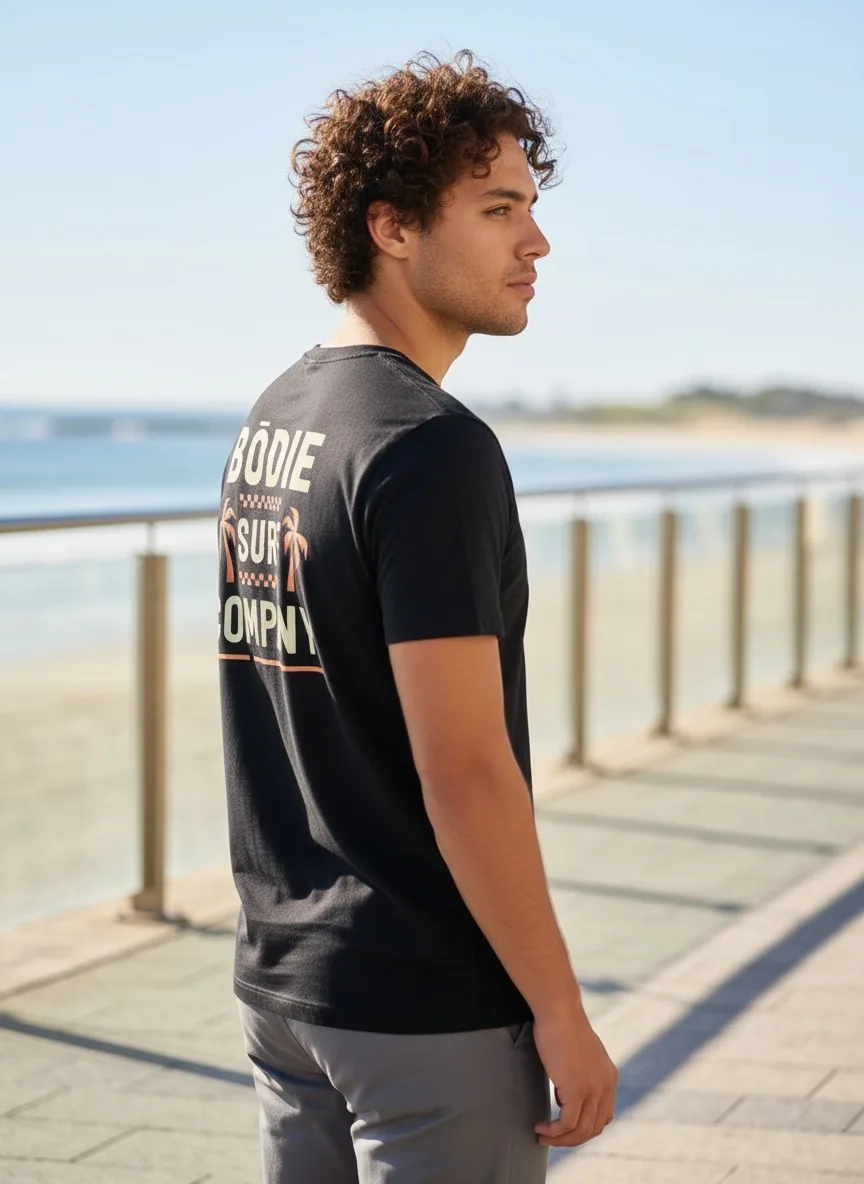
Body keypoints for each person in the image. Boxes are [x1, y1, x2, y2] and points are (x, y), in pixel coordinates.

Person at [218, 50, 617, 1184]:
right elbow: (467, 772)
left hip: (286, 990)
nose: (535, 242)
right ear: (392, 226)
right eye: (499, 209)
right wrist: (560, 1008)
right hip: (421, 1008)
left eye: (532, 209)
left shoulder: (275, 420)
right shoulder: (430, 449)